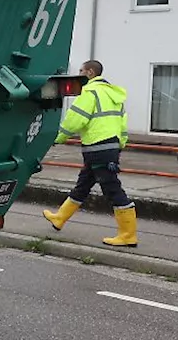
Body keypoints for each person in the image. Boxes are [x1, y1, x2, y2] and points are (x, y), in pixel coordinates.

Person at [42, 60, 137, 247]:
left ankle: (128, 234)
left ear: (91, 73)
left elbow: (75, 119)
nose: (79, 74)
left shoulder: (89, 92)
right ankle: (59, 218)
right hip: (109, 148)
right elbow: (122, 124)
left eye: (81, 71)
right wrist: (119, 145)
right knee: (83, 185)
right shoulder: (114, 95)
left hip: (97, 148)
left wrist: (58, 137)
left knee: (112, 189)